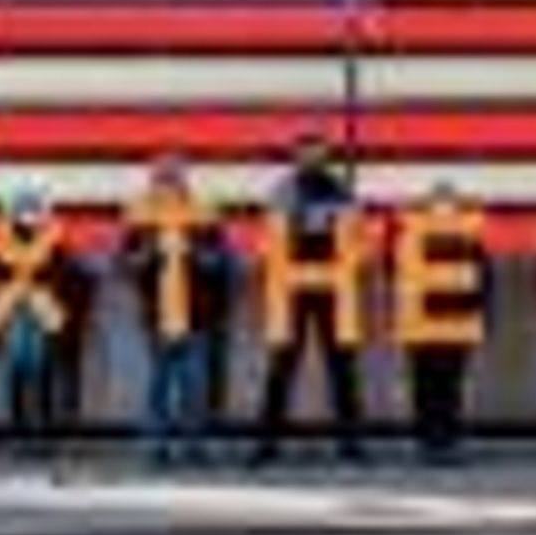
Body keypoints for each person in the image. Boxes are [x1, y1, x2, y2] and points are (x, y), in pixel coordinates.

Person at [249, 134, 366, 465]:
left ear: (327, 157)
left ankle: (351, 444)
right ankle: (266, 444)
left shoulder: (341, 190)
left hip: (334, 289)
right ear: (295, 156)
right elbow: (265, 236)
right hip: (290, 289)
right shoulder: (282, 190)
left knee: (342, 366)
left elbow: (357, 234)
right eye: (306, 154)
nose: (312, 160)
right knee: (281, 366)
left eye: (319, 154)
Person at [122, 156, 239, 466]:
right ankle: (155, 446)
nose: (168, 183)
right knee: (157, 384)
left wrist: (197, 255)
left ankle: (194, 445)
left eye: (173, 178)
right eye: (162, 178)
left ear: (185, 181)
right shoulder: (139, 217)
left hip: (197, 313)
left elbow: (225, 261)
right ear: (152, 182)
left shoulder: (204, 215)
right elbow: (121, 263)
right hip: (156, 312)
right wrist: (149, 254)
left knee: (195, 385)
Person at [0, 187, 88, 450]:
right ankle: (19, 430)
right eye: (23, 210)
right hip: (13, 313)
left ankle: (43, 430)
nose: (28, 216)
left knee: (42, 371)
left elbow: (68, 276)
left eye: (32, 210)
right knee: (17, 371)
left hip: (43, 314)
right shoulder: (0, 241)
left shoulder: (54, 241)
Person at [396, 182, 494, 465]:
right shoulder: (411, 234)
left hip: (456, 320)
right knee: (425, 382)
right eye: (438, 202)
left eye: (448, 202)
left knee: (451, 382)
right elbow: (396, 270)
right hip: (420, 321)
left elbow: (483, 276)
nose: (443, 208)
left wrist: (481, 315)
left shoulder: (469, 237)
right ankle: (426, 439)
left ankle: (448, 439)